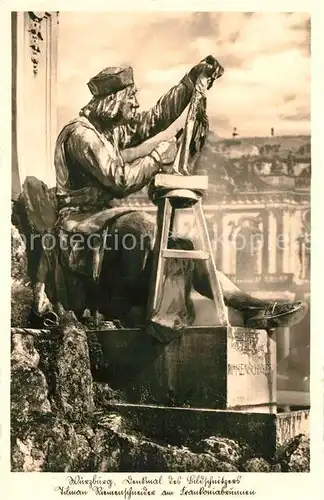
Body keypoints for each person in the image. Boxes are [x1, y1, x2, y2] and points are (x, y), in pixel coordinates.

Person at [31, 56, 307, 334]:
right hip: (80, 225)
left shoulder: (108, 131)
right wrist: (156, 157)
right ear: (113, 101)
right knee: (141, 227)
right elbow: (119, 179)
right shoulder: (81, 135)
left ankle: (248, 306)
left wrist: (190, 82)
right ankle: (132, 311)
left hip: (103, 221)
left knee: (183, 247)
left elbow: (154, 119)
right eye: (131, 99)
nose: (136, 105)